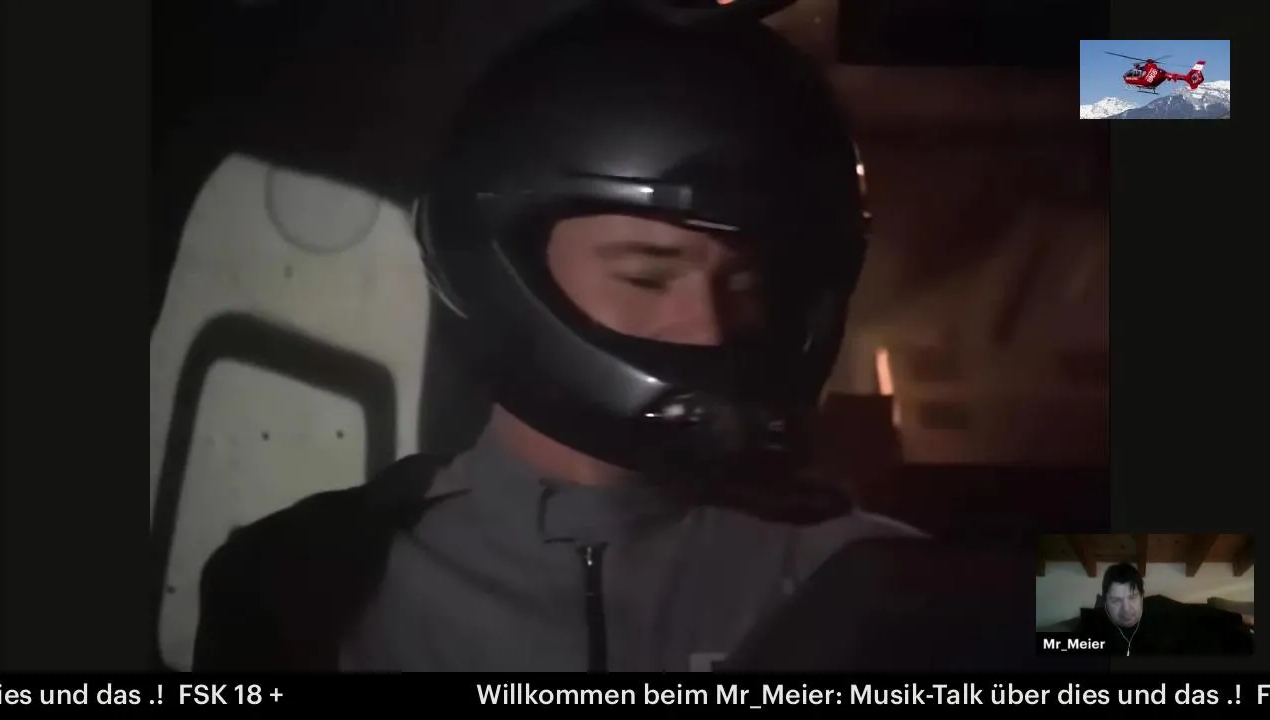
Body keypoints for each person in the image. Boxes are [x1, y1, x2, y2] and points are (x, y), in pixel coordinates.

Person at [192, 5, 924, 673]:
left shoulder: (876, 579)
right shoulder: (300, 584)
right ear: (502, 262)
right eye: (645, 277)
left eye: (745, 283)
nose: (706, 328)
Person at [1078, 563, 1254, 656]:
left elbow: (1199, 613)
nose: (1126, 609)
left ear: (1142, 596)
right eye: (1116, 601)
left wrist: (1240, 618)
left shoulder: (1158, 606)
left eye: (1132, 598)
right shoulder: (1094, 624)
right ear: (1105, 602)